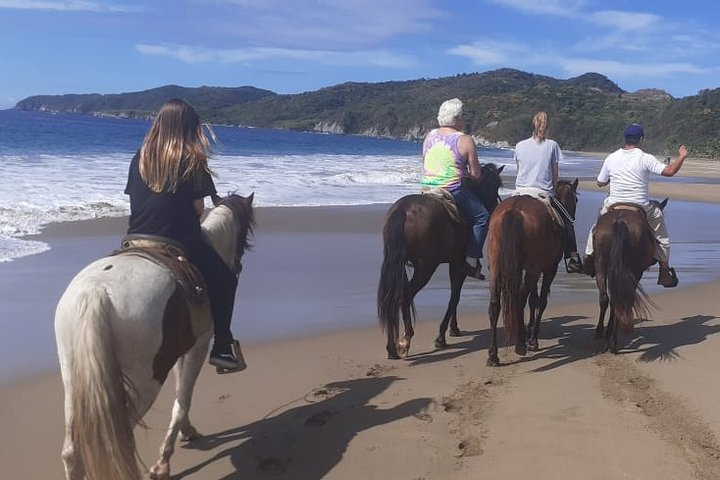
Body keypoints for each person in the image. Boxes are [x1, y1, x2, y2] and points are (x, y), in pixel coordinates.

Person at [124, 98, 242, 371]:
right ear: (187, 128)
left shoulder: (139, 157)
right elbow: (199, 208)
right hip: (178, 240)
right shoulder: (192, 159)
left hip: (135, 237)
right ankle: (222, 347)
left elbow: (135, 202)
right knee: (225, 281)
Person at [583, 123, 688, 288]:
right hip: (640, 205)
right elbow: (669, 171)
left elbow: (600, 182)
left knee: (596, 228)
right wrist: (681, 156)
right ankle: (664, 270)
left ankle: (589, 258)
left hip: (613, 203)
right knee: (662, 236)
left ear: (625, 139)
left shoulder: (611, 157)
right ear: (641, 139)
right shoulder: (645, 158)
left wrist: (611, 178)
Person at [420, 98, 488, 279]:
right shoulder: (465, 140)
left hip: (427, 188)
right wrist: (465, 174)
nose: (464, 120)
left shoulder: (429, 136)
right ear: (456, 118)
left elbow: (425, 162)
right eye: (462, 116)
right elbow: (475, 175)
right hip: (453, 189)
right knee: (482, 217)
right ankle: (471, 261)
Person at [513, 111, 583, 273]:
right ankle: (572, 258)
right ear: (547, 126)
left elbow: (519, 170)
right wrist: (551, 188)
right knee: (567, 221)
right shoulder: (552, 145)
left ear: (533, 124)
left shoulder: (519, 145)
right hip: (542, 193)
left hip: (519, 192)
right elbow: (554, 175)